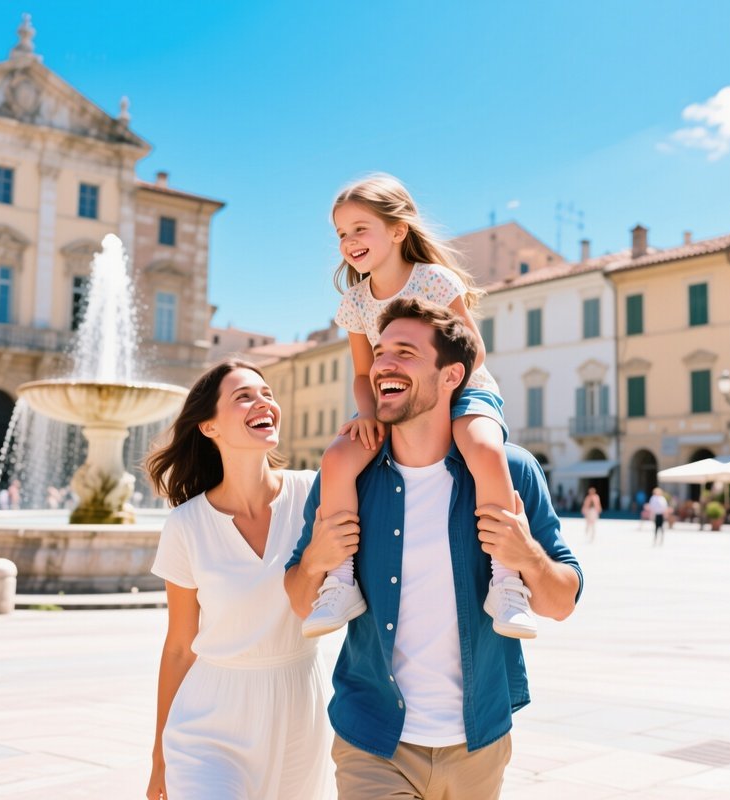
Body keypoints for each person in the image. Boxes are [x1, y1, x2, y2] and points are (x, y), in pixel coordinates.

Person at [285, 298, 583, 800]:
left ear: (452, 377)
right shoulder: (346, 476)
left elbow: (562, 603)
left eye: (405, 352)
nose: (383, 365)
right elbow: (298, 600)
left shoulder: (511, 471)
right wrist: (317, 555)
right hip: (372, 743)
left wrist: (525, 554)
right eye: (380, 353)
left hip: (479, 743)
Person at [304, 173, 536, 641]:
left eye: (359, 228)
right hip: (390, 398)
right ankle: (340, 579)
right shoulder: (355, 301)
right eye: (341, 234)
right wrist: (368, 415)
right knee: (337, 458)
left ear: (397, 230)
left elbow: (474, 351)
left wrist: (443, 398)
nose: (349, 241)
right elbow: (360, 371)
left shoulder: (432, 279)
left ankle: (508, 582)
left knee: (484, 451)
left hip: (463, 386)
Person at [144, 360, 334, 800]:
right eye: (244, 396)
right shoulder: (186, 525)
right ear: (208, 427)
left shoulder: (314, 494)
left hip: (299, 712)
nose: (263, 401)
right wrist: (159, 756)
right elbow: (178, 647)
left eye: (266, 393)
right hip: (210, 720)